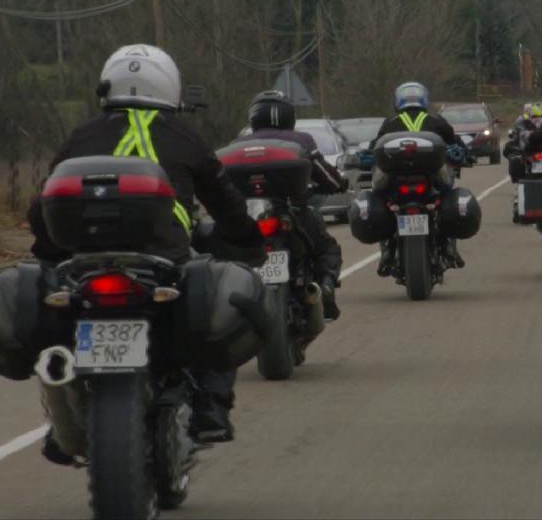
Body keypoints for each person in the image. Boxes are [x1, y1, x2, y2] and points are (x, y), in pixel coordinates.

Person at [28, 44, 265, 452]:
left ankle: (63, 413)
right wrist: (245, 240)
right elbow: (226, 202)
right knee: (213, 307)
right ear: (168, 87)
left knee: (60, 312)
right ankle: (210, 407)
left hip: (83, 260)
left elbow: (42, 207)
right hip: (164, 257)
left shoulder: (82, 136)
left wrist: (49, 251)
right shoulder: (186, 138)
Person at [235, 90, 346, 322]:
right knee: (326, 248)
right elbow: (324, 173)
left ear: (254, 117)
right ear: (289, 116)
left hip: (247, 219)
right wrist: (338, 184)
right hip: (294, 214)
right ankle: (325, 288)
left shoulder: (239, 143)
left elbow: (219, 182)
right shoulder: (301, 140)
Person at [371, 81, 467, 275]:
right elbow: (456, 143)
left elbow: (374, 147)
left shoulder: (390, 123)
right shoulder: (437, 121)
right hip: (431, 179)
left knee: (382, 199)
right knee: (446, 196)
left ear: (398, 101)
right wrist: (465, 153)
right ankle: (448, 244)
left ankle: (387, 250)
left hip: (397, 181)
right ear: (424, 99)